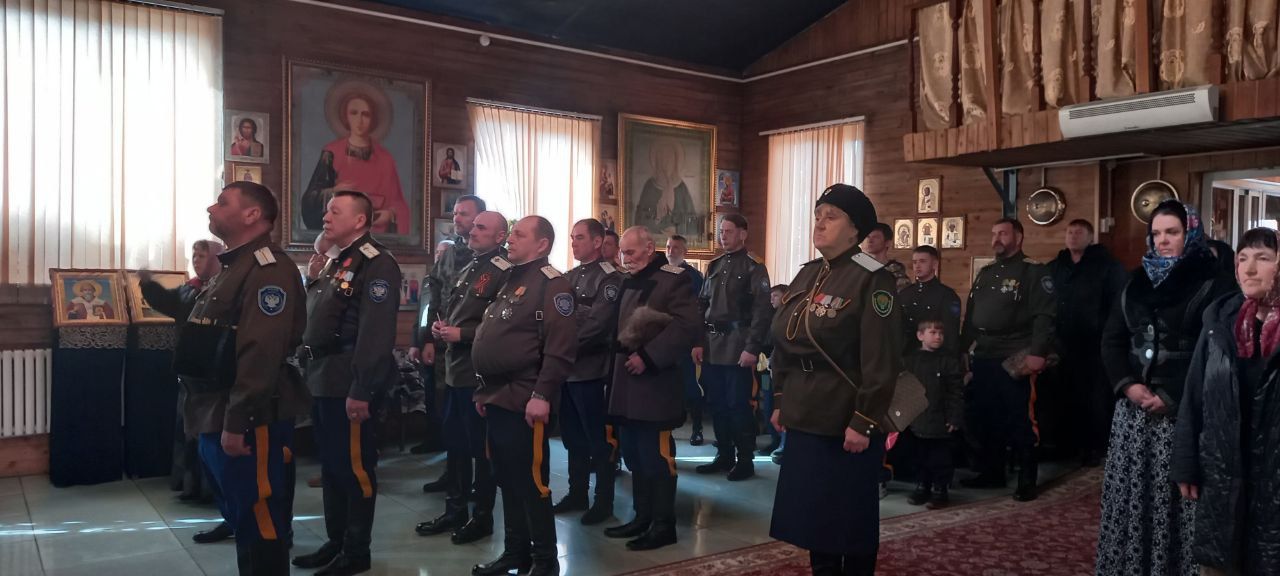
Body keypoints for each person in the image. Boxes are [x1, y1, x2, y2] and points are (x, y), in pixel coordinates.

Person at [171, 181, 308, 574]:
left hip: (249, 417)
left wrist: (238, 420)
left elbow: (260, 352)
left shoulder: (268, 269)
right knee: (242, 514)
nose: (211, 208)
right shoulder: (233, 266)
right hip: (216, 407)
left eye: (222, 202)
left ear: (252, 215)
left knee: (260, 517)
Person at [1097, 200, 1235, 576]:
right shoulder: (1135, 282)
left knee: (1177, 501)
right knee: (1134, 499)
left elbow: (1214, 352)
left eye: (1172, 232)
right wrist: (1128, 386)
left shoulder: (1216, 283)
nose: (1162, 241)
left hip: (1186, 413)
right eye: (1156, 233)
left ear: (1190, 233)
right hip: (1135, 414)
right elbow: (1112, 340)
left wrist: (1171, 395)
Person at [769, 184, 900, 576]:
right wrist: (780, 399)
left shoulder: (871, 279)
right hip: (805, 412)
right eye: (817, 216)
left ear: (855, 229)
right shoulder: (808, 274)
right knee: (815, 518)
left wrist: (864, 420)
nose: (820, 223)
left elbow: (881, 359)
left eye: (831, 216)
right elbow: (784, 341)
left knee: (850, 519)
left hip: (845, 418)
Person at [291, 191, 401, 576]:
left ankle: (356, 551)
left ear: (359, 221)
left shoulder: (376, 262)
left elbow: (375, 332)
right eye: (326, 210)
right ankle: (336, 542)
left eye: (335, 211)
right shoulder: (339, 261)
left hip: (348, 380)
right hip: (324, 377)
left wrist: (362, 388)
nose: (326, 217)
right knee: (333, 467)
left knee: (355, 468)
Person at [470, 216, 577, 576]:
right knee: (506, 477)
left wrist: (543, 394)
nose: (510, 239)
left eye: (519, 234)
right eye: (511, 234)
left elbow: (560, 348)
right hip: (498, 395)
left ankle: (545, 560)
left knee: (531, 482)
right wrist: (484, 391)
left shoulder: (552, 284)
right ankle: (516, 552)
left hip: (525, 396)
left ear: (541, 244)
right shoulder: (511, 279)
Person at [1173, 227, 1280, 576]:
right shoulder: (1220, 320)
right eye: (1242, 259)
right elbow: (1194, 394)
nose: (1249, 269)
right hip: (1224, 470)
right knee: (1222, 561)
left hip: (1273, 475)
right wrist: (1186, 463)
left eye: (1263, 258)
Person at [413, 211, 509, 544]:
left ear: (500, 237)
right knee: (454, 444)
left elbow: (503, 324)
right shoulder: (469, 267)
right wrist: (440, 328)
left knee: (480, 450)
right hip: (454, 371)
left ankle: (481, 517)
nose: (472, 231)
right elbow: (452, 307)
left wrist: (463, 334)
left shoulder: (503, 271)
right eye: (473, 226)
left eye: (481, 227)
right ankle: (454, 509)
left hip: (477, 373)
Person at [603, 226, 700, 551]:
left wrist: (648, 357)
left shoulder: (674, 279)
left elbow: (687, 326)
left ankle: (663, 525)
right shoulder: (627, 278)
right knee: (633, 454)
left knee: (656, 457)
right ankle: (642, 516)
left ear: (648, 248)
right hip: (624, 383)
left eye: (630, 252)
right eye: (622, 252)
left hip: (655, 385)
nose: (625, 258)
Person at [958, 218, 1055, 502]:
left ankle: (1027, 478)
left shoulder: (1033, 271)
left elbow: (1045, 316)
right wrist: (963, 349)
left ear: (1019, 237)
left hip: (1015, 354)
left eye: (1002, 233)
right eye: (994, 233)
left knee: (1019, 417)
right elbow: (971, 316)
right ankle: (992, 472)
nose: (996, 238)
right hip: (984, 353)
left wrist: (1038, 353)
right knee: (985, 416)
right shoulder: (987, 272)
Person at [141, 240, 229, 535]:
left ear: (218, 259)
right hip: (189, 376)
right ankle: (190, 485)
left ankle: (213, 490)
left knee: (210, 433)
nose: (196, 259)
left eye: (203, 255)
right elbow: (168, 302)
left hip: (214, 377)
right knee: (188, 432)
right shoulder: (190, 289)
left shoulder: (225, 289)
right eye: (194, 255)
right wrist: (148, 284)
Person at [551, 219, 624, 525]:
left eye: (579, 237)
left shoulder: (610, 278)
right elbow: (557, 320)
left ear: (597, 242)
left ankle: (603, 501)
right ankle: (577, 492)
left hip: (592, 369)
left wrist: (561, 348)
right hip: (567, 370)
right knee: (572, 437)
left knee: (598, 440)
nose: (573, 243)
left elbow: (598, 324)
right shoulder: (569, 277)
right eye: (572, 237)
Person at [693, 214, 772, 482]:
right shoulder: (714, 265)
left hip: (738, 345)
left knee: (738, 405)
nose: (723, 235)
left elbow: (762, 311)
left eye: (728, 231)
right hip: (712, 344)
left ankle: (745, 459)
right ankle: (724, 454)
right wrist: (698, 341)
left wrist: (752, 347)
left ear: (742, 234)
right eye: (721, 231)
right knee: (716, 405)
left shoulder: (753, 266)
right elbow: (701, 305)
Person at [412, 195, 483, 491]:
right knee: (448, 417)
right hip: (445, 348)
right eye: (455, 213)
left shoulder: (493, 259)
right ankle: (453, 475)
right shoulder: (451, 253)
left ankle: (478, 484)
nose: (457, 218)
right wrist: (426, 337)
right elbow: (433, 294)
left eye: (464, 214)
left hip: (474, 351)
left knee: (473, 423)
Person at [1046, 219, 1126, 466]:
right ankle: (1064, 445)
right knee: (1062, 396)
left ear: (1090, 237)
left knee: (1094, 399)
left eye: (1079, 232)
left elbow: (1117, 304)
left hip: (1094, 344)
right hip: (1061, 343)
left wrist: (1109, 336)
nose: (1073, 236)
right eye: (1070, 232)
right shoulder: (1055, 267)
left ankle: (1095, 447)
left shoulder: (1107, 266)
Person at [301, 88, 412, 235]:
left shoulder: (385, 158)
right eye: (354, 113)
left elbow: (398, 203)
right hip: (342, 236)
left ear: (373, 119)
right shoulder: (331, 152)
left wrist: (390, 215)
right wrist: (334, 191)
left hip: (377, 235)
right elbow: (310, 200)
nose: (359, 120)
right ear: (345, 116)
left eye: (365, 114)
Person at [904, 319, 964, 509]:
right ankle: (922, 486)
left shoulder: (948, 360)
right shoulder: (910, 361)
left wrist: (954, 416)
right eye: (933, 333)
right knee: (919, 456)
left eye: (941, 333)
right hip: (917, 417)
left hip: (941, 419)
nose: (938, 337)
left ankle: (940, 490)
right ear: (920, 336)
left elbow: (956, 391)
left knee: (940, 458)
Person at [666, 235, 707, 445]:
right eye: (668, 247)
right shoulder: (661, 273)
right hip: (664, 341)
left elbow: (699, 311)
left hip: (686, 341)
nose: (670, 251)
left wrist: (697, 342)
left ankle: (697, 428)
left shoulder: (693, 277)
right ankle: (666, 431)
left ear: (685, 252)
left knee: (691, 388)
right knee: (666, 389)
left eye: (675, 248)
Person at [898, 245, 961, 354]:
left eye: (922, 261)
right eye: (914, 262)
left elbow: (950, 334)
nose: (917, 266)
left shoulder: (946, 295)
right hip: (907, 354)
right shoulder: (905, 294)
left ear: (934, 264)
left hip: (935, 356)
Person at [634, 138, 700, 238]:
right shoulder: (650, 186)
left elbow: (693, 222)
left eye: (669, 158)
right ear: (657, 161)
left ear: (675, 161)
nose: (666, 163)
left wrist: (677, 230)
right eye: (663, 158)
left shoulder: (681, 188)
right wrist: (657, 221)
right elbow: (639, 221)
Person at [756, 284, 787, 458]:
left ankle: (782, 442)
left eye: (775, 295)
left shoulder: (787, 317)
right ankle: (774, 440)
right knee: (767, 405)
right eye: (771, 296)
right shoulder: (769, 316)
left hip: (780, 370)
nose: (771, 299)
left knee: (779, 405)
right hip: (765, 369)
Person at [861, 222, 910, 291]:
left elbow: (904, 295)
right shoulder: (856, 268)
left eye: (876, 237)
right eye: (867, 236)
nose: (869, 240)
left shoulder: (896, 271)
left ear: (887, 243)